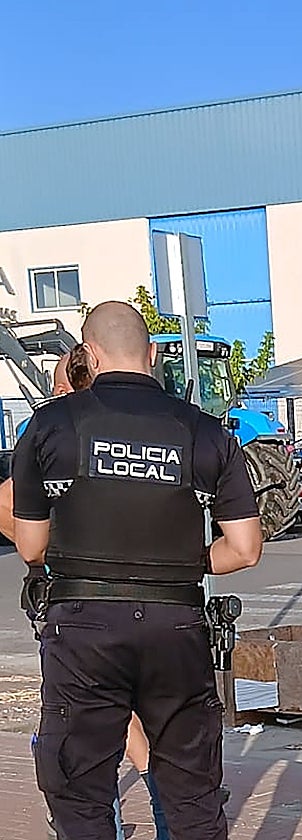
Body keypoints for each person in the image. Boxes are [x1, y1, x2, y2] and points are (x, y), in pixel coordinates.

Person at [12, 301, 263, 840]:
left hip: (83, 628)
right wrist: (181, 564)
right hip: (177, 626)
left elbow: (31, 546)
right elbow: (245, 549)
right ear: (151, 353)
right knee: (192, 796)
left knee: (80, 795)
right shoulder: (205, 431)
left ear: (88, 353)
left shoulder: (51, 425)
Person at [0, 346, 172, 840]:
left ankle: (110, 819)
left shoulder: (60, 430)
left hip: (83, 611)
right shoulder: (130, 429)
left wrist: (49, 551)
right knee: (120, 720)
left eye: (58, 387)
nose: (53, 396)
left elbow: (8, 505)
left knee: (88, 729)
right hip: (135, 606)